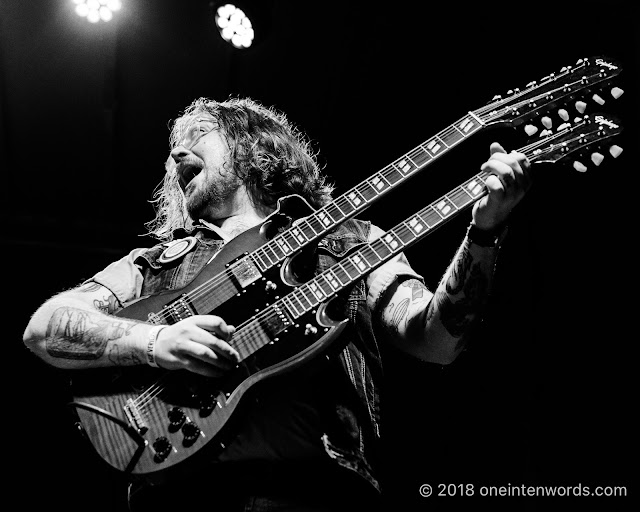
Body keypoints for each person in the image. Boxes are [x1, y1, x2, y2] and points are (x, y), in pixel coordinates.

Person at [22, 96, 531, 511]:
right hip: (176, 501)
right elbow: (45, 329)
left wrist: (484, 233)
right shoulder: (152, 264)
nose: (175, 156)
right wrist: (152, 340)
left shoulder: (352, 240)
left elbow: (437, 340)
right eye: (171, 149)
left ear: (250, 146)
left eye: (197, 137)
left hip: (318, 496)